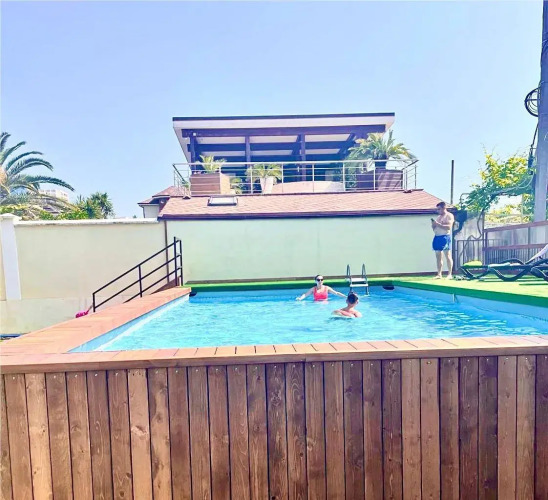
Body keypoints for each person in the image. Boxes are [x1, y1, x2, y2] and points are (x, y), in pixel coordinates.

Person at [431, 201, 455, 279]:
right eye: (437, 209)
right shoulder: (438, 217)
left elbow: (448, 227)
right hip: (437, 237)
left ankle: (449, 274)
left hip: (445, 237)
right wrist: (433, 225)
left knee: (447, 255)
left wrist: (438, 224)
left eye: (439, 209)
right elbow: (435, 228)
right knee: (438, 256)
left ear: (444, 208)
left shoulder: (449, 216)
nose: (438, 211)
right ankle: (439, 274)